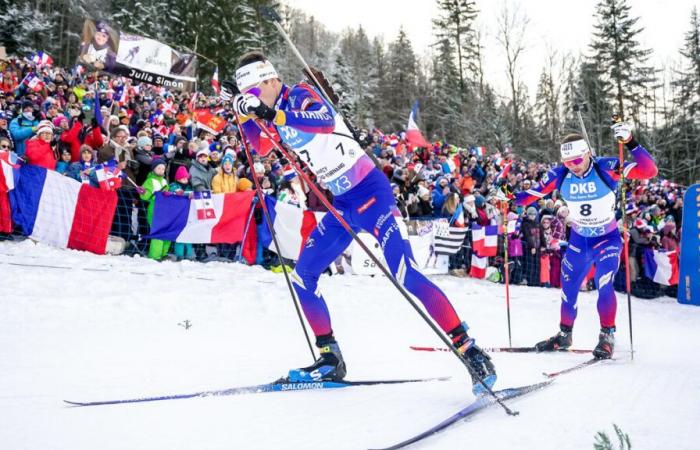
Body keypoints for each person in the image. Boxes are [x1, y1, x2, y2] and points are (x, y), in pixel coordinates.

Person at [223, 51, 496, 393]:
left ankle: (471, 350)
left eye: (252, 93)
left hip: (373, 195)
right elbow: (260, 148)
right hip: (342, 205)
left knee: (405, 274)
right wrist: (244, 113)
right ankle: (329, 358)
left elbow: (322, 120)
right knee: (303, 275)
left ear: (268, 80)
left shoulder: (303, 94)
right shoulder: (269, 110)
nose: (252, 100)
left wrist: (267, 112)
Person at [516, 125, 657, 359]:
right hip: (580, 240)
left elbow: (649, 170)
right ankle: (564, 335)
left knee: (604, 283)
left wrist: (631, 141)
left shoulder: (606, 167)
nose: (574, 166)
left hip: (607, 239)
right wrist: (507, 194)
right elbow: (529, 197)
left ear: (588, 154)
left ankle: (607, 335)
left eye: (578, 160)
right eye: (568, 162)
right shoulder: (559, 174)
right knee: (568, 290)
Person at [140, 159, 170, 260]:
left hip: (165, 210)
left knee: (166, 231)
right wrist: (143, 192)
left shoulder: (164, 181)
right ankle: (155, 255)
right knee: (158, 231)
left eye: (163, 169)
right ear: (154, 169)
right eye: (159, 168)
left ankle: (163, 253)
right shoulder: (150, 181)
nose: (161, 170)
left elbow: (168, 192)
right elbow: (146, 196)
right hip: (155, 209)